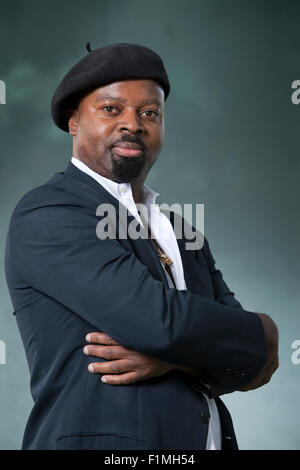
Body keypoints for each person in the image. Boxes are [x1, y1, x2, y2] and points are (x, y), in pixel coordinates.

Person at [5, 42, 278, 450]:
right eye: (111, 109)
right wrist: (266, 330)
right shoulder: (49, 212)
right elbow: (157, 321)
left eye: (149, 113)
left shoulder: (184, 232)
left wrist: (175, 357)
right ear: (73, 120)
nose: (133, 124)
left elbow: (255, 364)